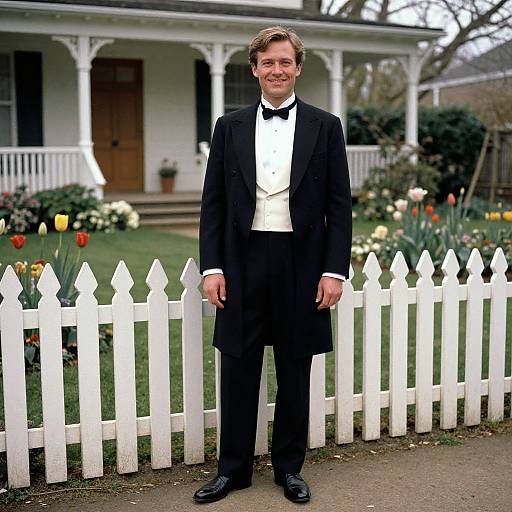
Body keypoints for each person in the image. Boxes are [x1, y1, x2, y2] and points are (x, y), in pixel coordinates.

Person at [194, 26, 352, 504]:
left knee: (295, 367)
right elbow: (214, 202)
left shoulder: (326, 126)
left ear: (298, 68)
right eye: (268, 63)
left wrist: (333, 270)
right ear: (255, 70)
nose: (277, 70)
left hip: (302, 263)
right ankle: (233, 470)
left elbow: (339, 204)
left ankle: (289, 469)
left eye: (285, 62)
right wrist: (212, 267)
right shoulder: (230, 126)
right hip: (242, 261)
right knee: (238, 366)